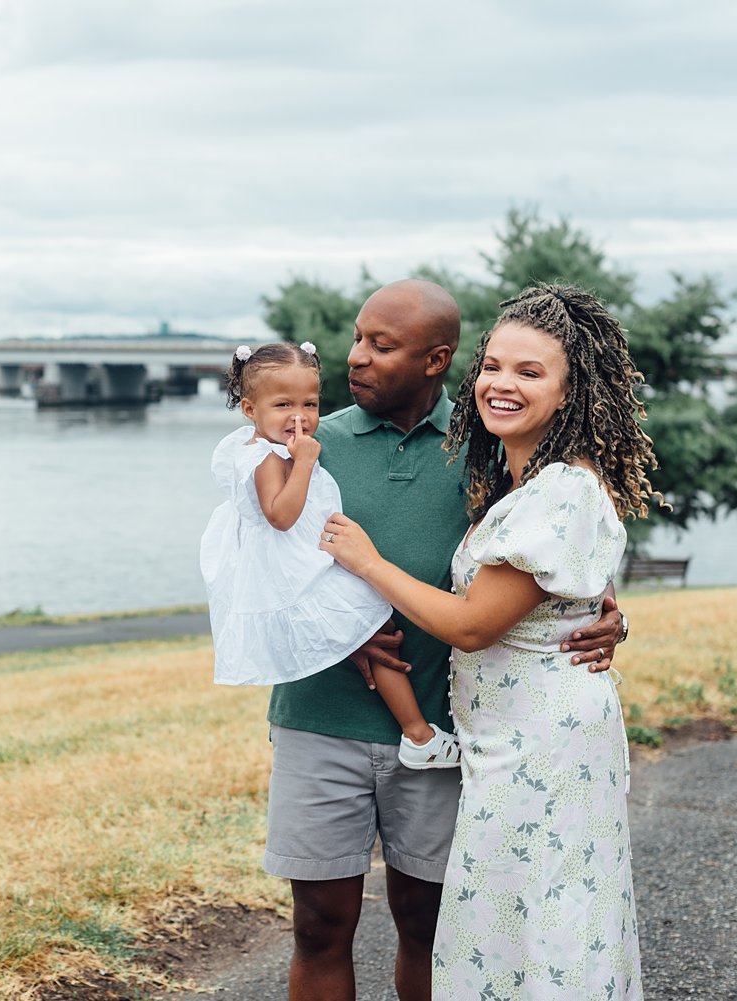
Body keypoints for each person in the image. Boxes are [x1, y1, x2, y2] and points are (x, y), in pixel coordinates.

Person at [262, 278, 626, 1001]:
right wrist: (335, 630)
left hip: (448, 731)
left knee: (440, 926)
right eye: (358, 338)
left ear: (437, 360)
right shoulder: (309, 442)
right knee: (320, 924)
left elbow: (551, 564)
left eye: (380, 344)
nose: (356, 357)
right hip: (319, 716)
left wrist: (607, 612)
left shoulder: (489, 447)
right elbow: (251, 573)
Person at [200, 340, 459, 768]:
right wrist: (304, 463)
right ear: (250, 410)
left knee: (375, 625)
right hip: (297, 570)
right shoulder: (265, 458)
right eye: (283, 405)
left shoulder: (279, 448)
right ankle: (419, 734)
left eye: (310, 403)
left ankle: (417, 734)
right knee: (374, 622)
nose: (299, 417)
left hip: (308, 559)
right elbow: (280, 516)